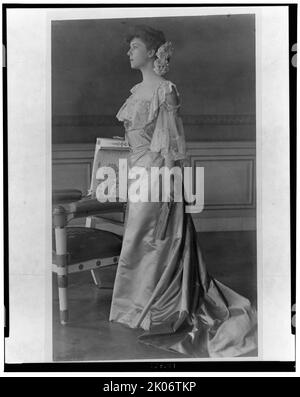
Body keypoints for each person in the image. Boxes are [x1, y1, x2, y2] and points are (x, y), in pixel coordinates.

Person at [108, 24, 258, 358]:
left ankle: (154, 307)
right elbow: (137, 140)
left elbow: (172, 146)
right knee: (136, 240)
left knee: (154, 240)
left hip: (157, 178)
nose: (129, 53)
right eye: (129, 47)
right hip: (136, 175)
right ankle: (134, 306)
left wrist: (167, 189)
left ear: (153, 52)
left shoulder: (166, 90)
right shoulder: (136, 93)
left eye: (134, 47)